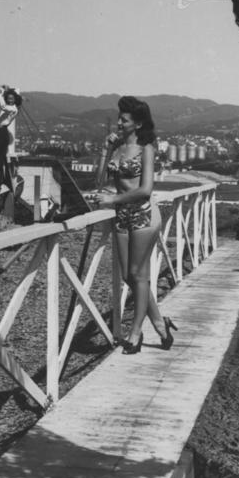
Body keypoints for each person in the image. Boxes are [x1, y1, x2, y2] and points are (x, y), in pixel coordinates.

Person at [96, 96, 176, 354]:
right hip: (122, 216)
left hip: (143, 215)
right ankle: (160, 322)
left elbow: (145, 189)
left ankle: (135, 332)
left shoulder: (146, 149)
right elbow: (99, 182)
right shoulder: (117, 148)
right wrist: (105, 149)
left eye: (125, 120)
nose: (119, 123)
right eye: (119, 118)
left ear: (138, 124)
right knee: (130, 276)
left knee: (138, 274)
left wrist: (113, 199)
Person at [0, 86, 22, 193]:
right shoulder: (8, 107)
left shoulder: (14, 109)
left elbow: (3, 106)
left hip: (2, 131)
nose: (10, 100)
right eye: (8, 98)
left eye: (12, 99)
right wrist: (2, 92)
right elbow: (3, 105)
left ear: (15, 100)